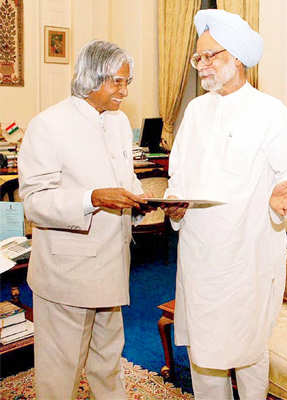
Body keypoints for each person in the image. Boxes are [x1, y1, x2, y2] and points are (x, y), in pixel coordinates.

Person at [164, 9, 287, 399]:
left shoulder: (269, 111)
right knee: (204, 351)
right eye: (199, 57)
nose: (203, 65)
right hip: (199, 254)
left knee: (248, 350)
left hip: (248, 253)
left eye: (212, 55)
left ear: (238, 58)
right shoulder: (196, 112)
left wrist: (282, 195)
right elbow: (178, 177)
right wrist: (173, 206)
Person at [18, 40, 152, 399]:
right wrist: (91, 199)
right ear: (91, 78)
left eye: (128, 82)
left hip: (112, 266)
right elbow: (34, 203)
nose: (124, 91)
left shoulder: (120, 122)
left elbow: (124, 180)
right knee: (59, 374)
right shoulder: (48, 125)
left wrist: (141, 200)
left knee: (108, 362)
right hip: (67, 273)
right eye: (117, 82)